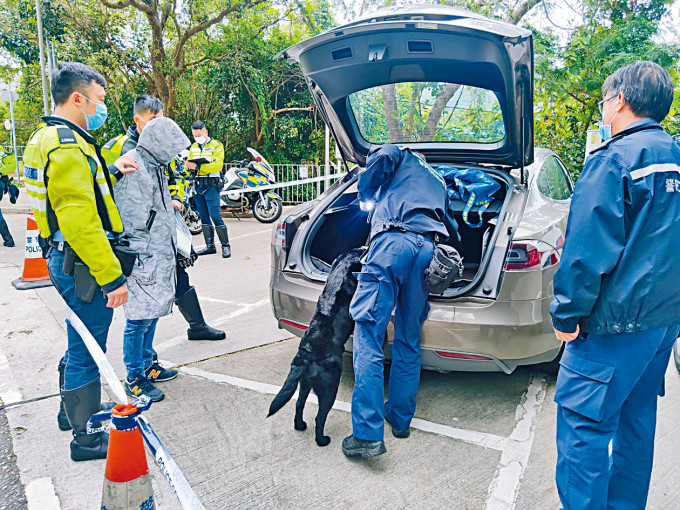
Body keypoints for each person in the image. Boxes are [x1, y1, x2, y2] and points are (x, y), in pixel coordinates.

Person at [550, 61, 680, 509]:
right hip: (663, 325)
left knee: (583, 431)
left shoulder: (613, 160)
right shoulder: (675, 155)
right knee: (637, 423)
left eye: (606, 100)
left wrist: (566, 315)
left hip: (612, 328)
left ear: (619, 100)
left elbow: (585, 253)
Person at [22, 62, 137, 461]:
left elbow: (74, 194)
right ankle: (86, 438)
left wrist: (111, 171)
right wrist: (111, 278)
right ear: (78, 98)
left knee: (79, 342)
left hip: (61, 257)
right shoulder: (68, 144)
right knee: (90, 351)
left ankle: (67, 411)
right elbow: (78, 218)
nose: (100, 108)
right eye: (99, 100)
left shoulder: (47, 136)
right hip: (82, 264)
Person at [342, 144, 460, 458]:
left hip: (392, 243)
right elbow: (451, 224)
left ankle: (367, 435)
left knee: (368, 335)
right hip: (427, 252)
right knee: (408, 338)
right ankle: (399, 418)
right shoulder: (438, 179)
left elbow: (380, 158)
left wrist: (366, 193)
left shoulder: (398, 152)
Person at [102, 96, 226, 344]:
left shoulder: (161, 145)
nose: (158, 123)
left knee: (178, 274)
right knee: (146, 298)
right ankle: (144, 360)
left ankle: (195, 327)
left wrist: (175, 198)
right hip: (139, 236)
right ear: (138, 119)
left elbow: (173, 176)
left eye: (161, 117)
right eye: (153, 118)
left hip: (164, 226)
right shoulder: (120, 148)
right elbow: (111, 192)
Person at [115, 117, 190, 402]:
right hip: (143, 257)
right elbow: (132, 218)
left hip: (159, 253)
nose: (173, 154)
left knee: (152, 312)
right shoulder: (136, 165)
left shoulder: (154, 165)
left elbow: (153, 208)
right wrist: (142, 257)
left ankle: (147, 364)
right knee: (138, 318)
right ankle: (134, 376)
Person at [186, 120, 230, 258]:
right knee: (203, 216)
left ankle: (225, 246)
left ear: (206, 132)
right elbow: (188, 166)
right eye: (194, 135)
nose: (197, 137)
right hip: (198, 185)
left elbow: (217, 166)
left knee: (215, 215)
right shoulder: (193, 147)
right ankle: (210, 246)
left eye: (199, 135)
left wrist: (198, 167)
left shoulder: (216, 146)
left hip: (211, 185)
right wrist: (187, 168)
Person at [0, 147, 18, 247]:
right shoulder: (2, 149)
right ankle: (8, 239)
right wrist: (1, 172)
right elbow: (12, 164)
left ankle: (8, 239)